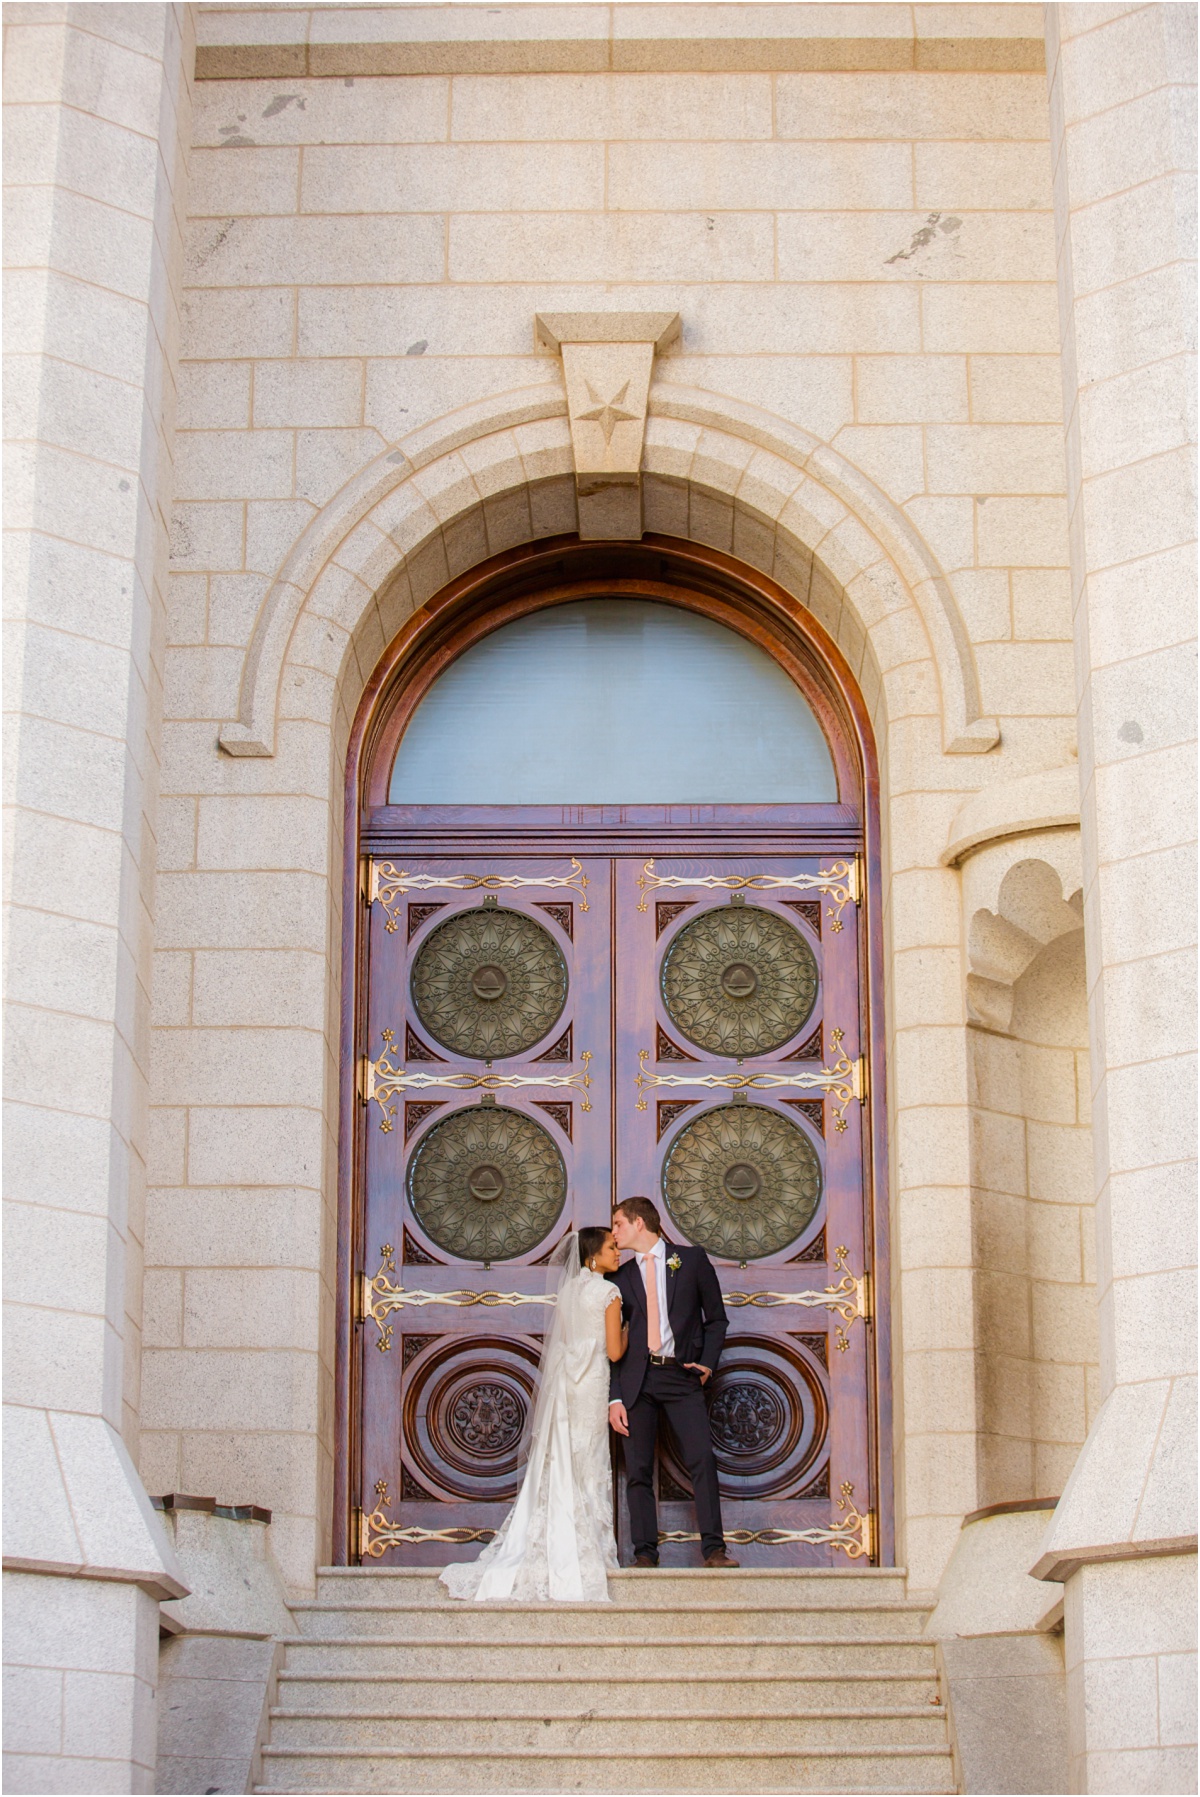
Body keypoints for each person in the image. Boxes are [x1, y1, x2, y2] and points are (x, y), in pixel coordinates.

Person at [439, 1226, 626, 1602]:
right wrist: (628, 1328)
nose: (618, 1252)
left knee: (563, 1458)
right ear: (593, 1256)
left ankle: (559, 1536)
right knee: (587, 1458)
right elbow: (615, 1352)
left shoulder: (570, 1290)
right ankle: (589, 1546)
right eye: (612, 1247)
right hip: (590, 1383)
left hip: (566, 1382)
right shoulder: (609, 1292)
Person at [607, 1196, 739, 1568]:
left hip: (681, 1376)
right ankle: (645, 1554)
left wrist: (707, 1365)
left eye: (618, 1224)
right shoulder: (621, 1276)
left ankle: (714, 1549)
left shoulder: (692, 1259)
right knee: (638, 1471)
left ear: (638, 1223)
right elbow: (613, 1343)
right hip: (637, 1381)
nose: (614, 1233)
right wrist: (614, 1397)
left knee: (701, 1460)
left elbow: (717, 1319)